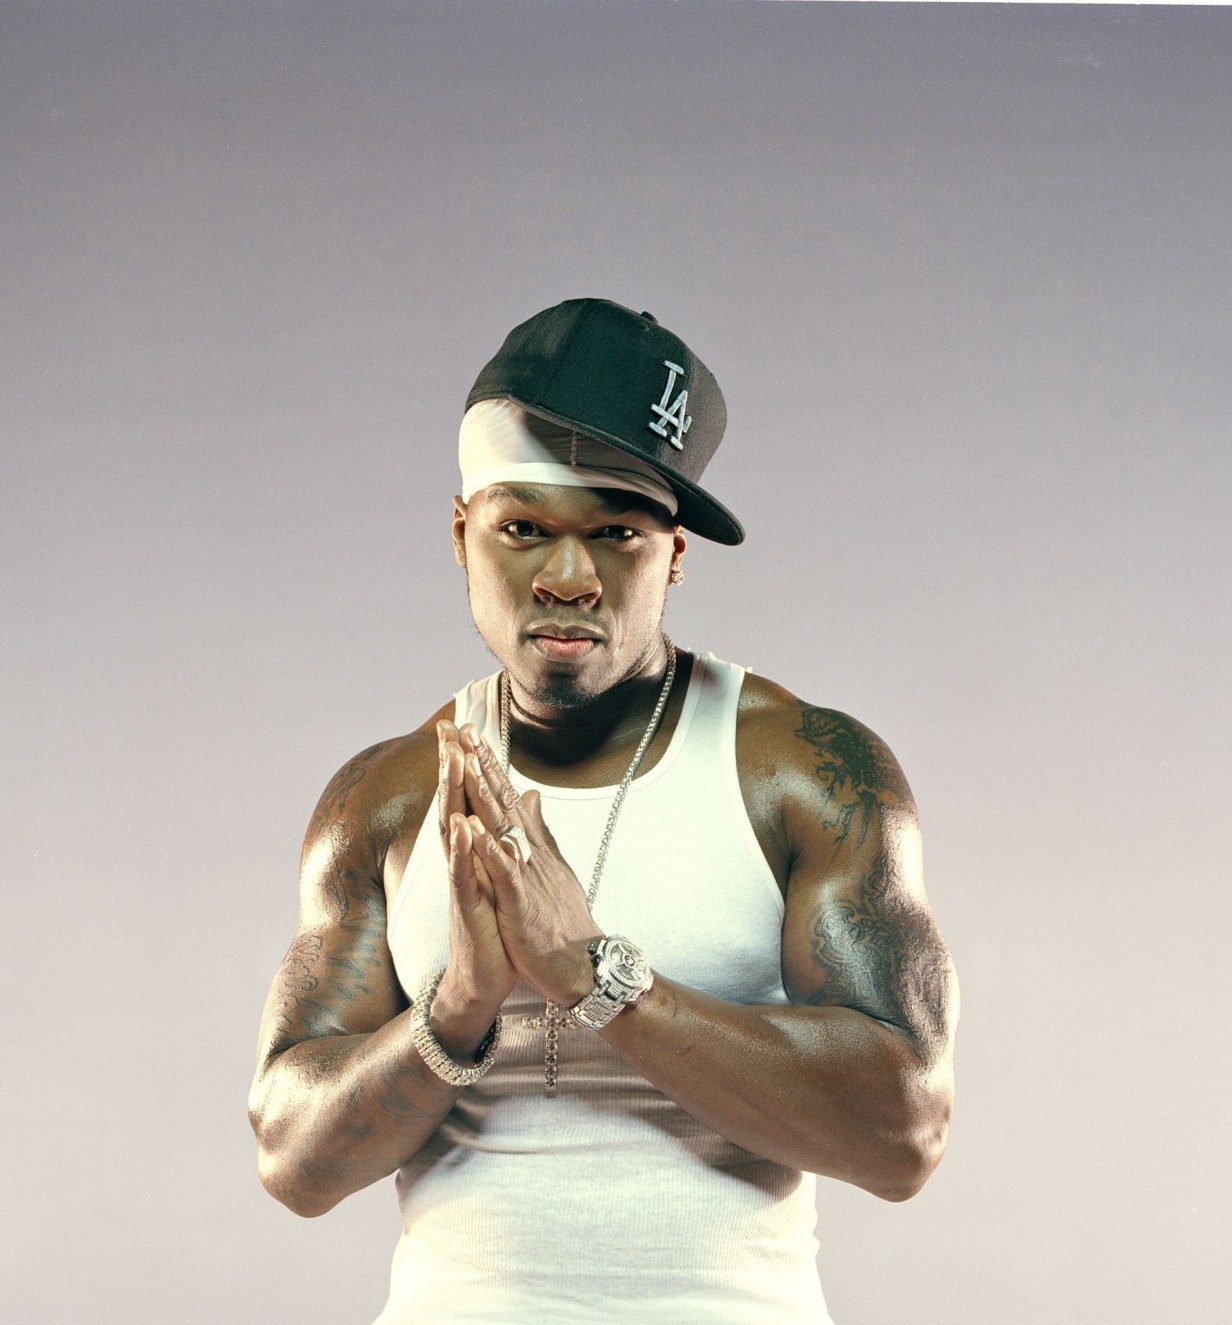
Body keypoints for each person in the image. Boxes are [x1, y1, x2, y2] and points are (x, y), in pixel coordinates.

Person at [248, 297, 959, 1324]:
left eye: (616, 530)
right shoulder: (388, 798)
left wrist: (595, 978)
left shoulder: (805, 774)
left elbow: (903, 1134)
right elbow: (292, 1159)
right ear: (462, 534)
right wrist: (456, 1010)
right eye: (524, 527)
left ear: (674, 552)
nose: (569, 577)